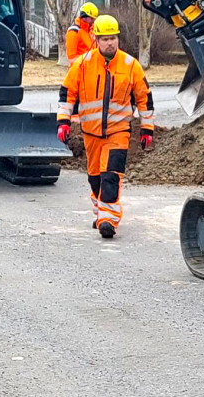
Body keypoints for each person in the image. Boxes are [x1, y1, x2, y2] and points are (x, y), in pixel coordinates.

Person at [57, 14, 154, 239]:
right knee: (95, 177)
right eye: (105, 39)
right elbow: (67, 93)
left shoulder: (130, 65)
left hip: (118, 131)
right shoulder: (83, 64)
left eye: (113, 38)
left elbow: (144, 98)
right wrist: (63, 121)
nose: (110, 43)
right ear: (96, 40)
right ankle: (101, 211)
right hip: (90, 133)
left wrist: (147, 128)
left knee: (110, 175)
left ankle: (108, 220)